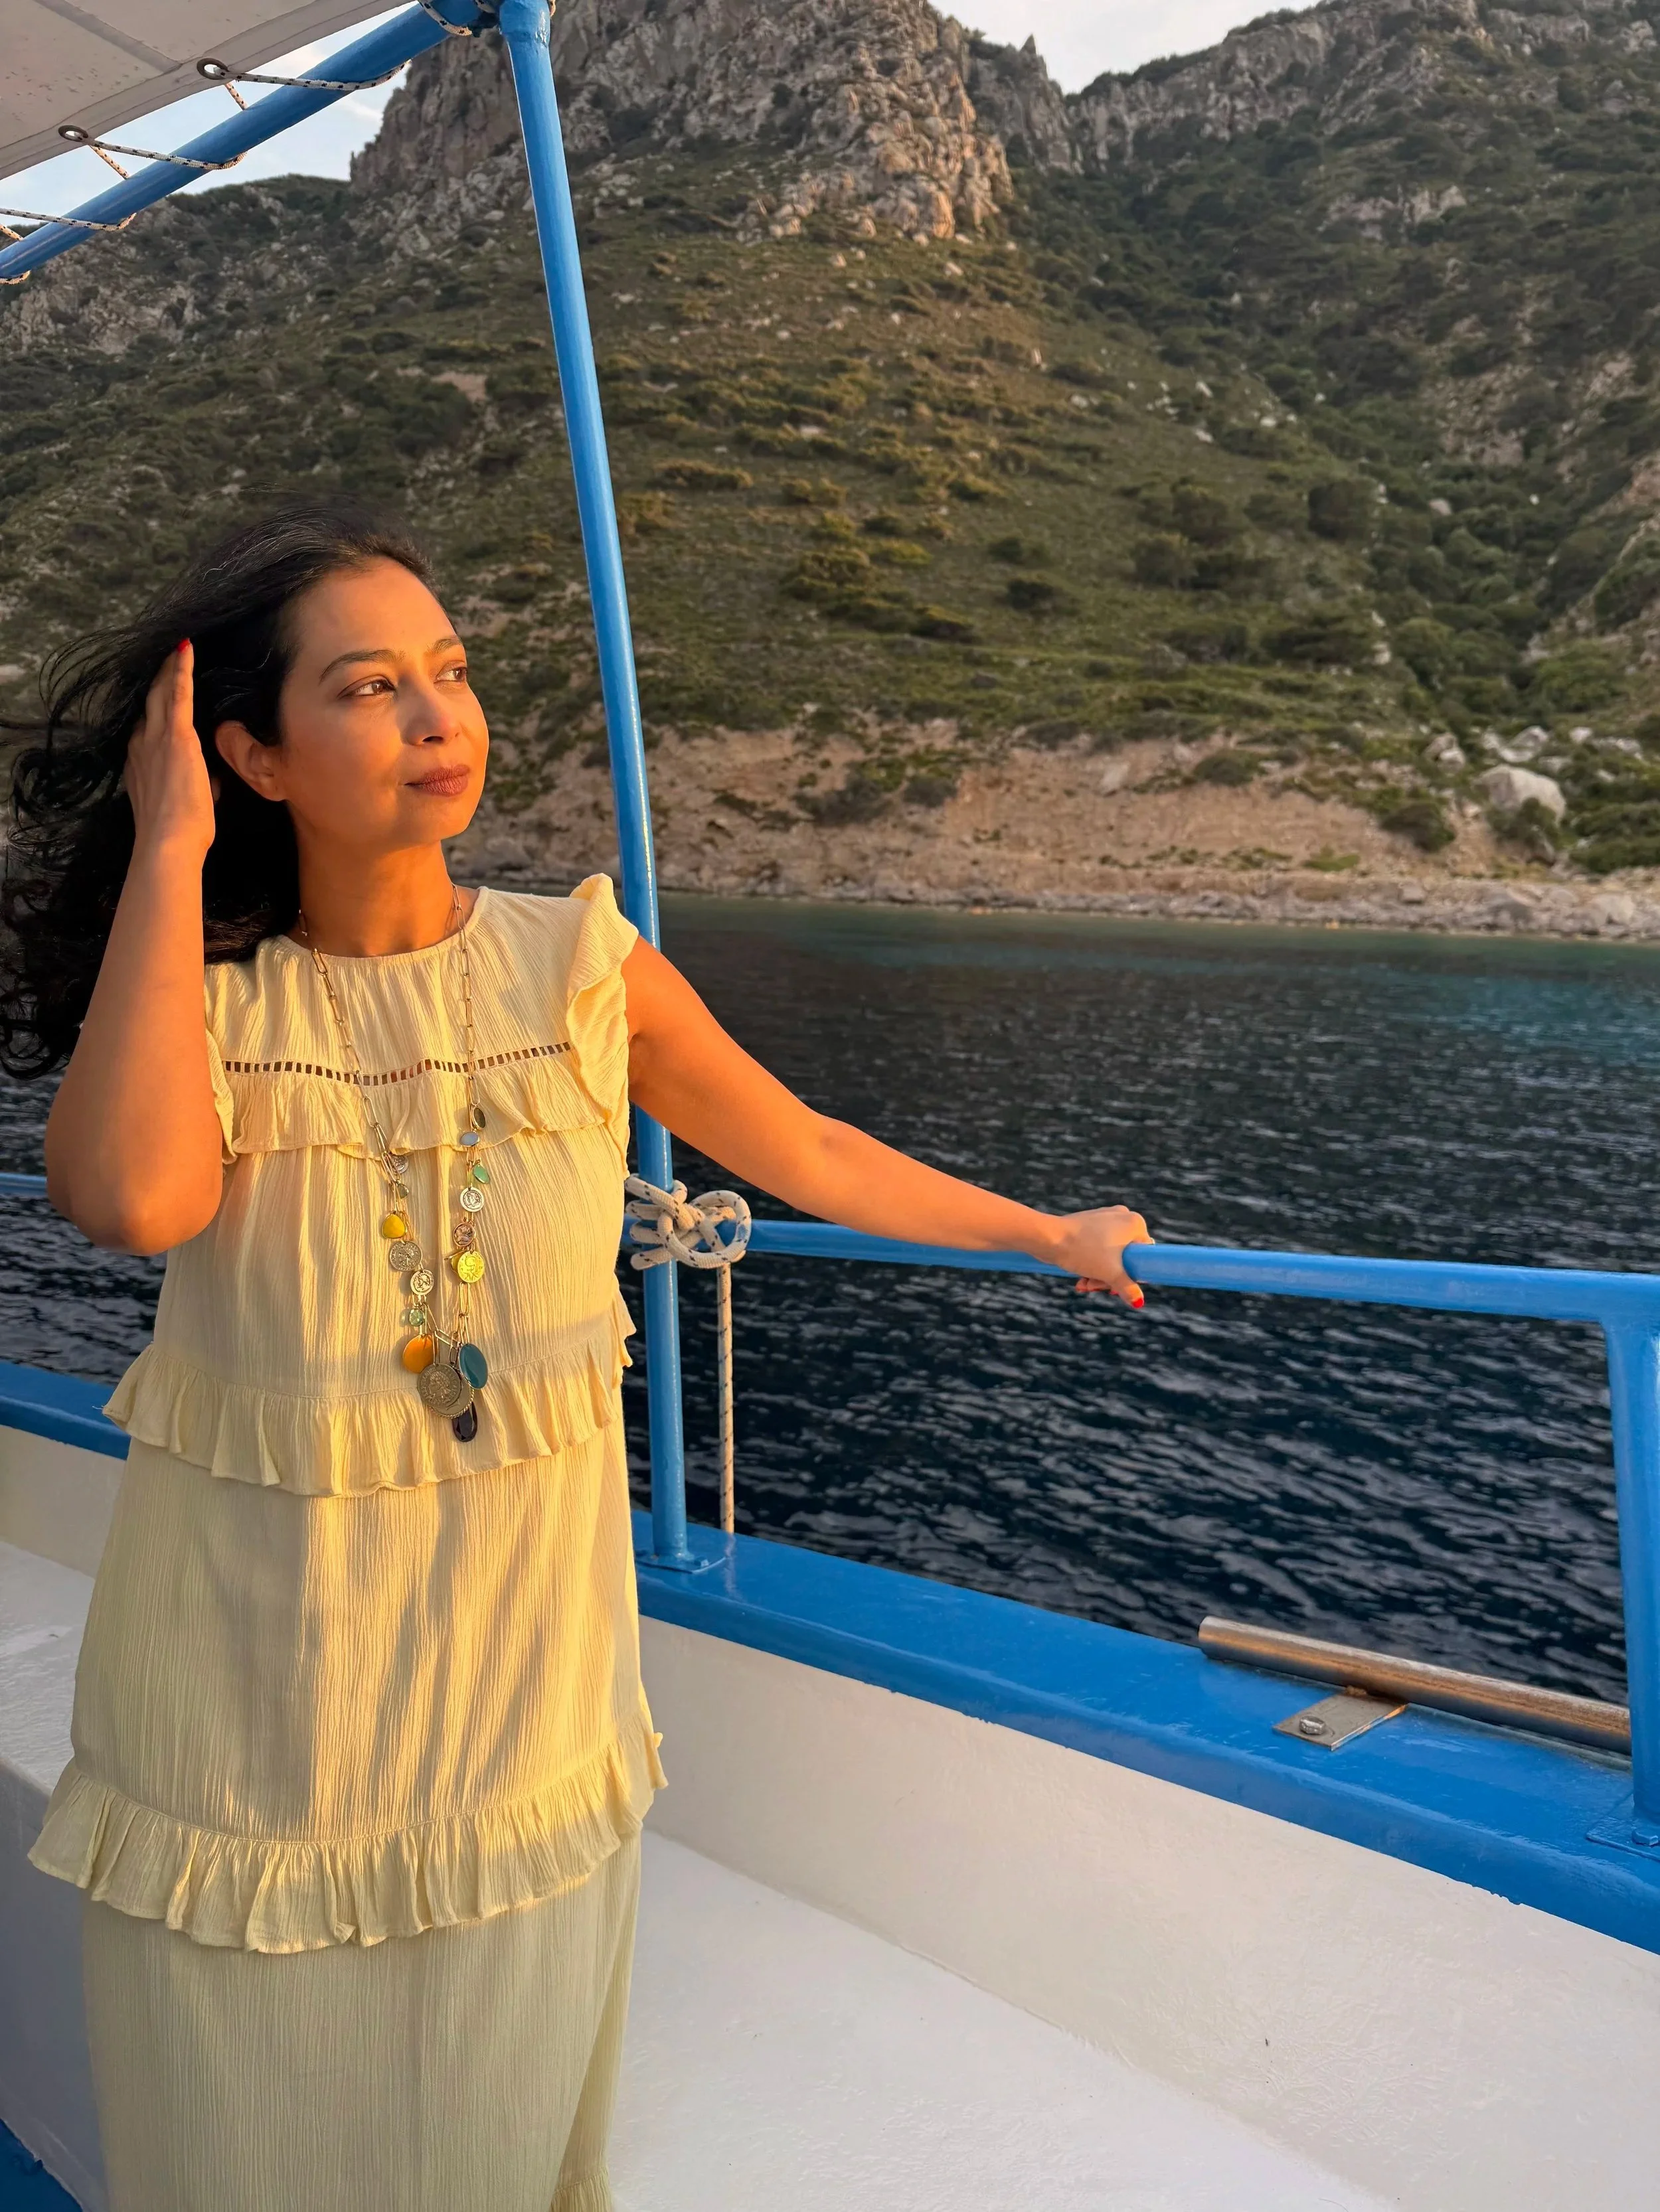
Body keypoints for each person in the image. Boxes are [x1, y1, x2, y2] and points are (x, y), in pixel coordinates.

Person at [1, 498, 1149, 2212]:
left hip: (510, 1675)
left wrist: (1044, 1229)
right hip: (249, 1694)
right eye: (370, 686)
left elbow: (809, 1147)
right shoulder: (213, 997)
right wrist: (165, 856)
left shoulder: (578, 963)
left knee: (482, 2111)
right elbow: (133, 1196)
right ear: (251, 750)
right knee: (233, 2115)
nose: (436, 718)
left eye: (450, 674)